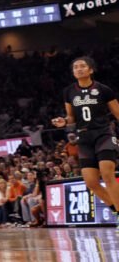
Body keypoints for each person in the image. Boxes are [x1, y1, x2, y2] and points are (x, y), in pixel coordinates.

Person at [51, 55, 119, 227]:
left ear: (90, 70)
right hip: (84, 137)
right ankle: (115, 209)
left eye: (82, 66)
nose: (79, 69)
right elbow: (71, 118)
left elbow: (117, 112)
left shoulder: (103, 89)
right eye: (75, 67)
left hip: (104, 134)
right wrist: (64, 122)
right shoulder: (69, 91)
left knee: (107, 173)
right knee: (90, 182)